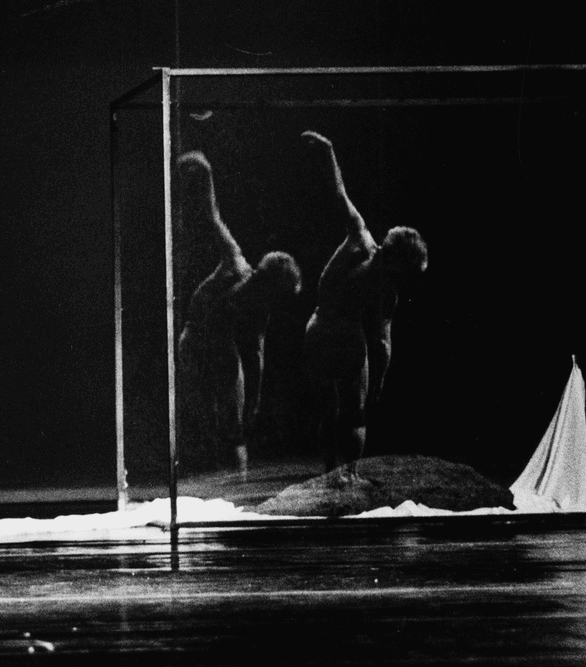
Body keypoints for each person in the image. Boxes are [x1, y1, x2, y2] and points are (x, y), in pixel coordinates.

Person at [300, 131, 427, 472]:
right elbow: (383, 344)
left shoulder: (361, 237)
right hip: (340, 334)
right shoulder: (386, 286)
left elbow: (338, 190)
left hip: (320, 328)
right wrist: (380, 380)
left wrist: (328, 151)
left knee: (330, 406)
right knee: (352, 410)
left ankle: (331, 470)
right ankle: (347, 473)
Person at [177, 151, 301, 473]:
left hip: (221, 347)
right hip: (195, 340)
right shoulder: (235, 261)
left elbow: (257, 355)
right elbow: (212, 214)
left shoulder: (261, 309)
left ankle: (235, 483)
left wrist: (254, 401)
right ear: (263, 277)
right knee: (203, 416)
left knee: (234, 425)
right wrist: (206, 175)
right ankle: (207, 474)